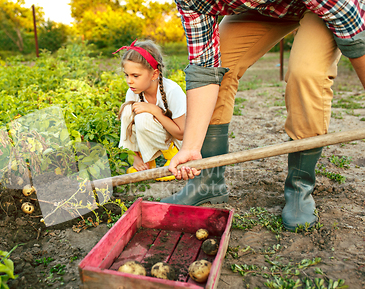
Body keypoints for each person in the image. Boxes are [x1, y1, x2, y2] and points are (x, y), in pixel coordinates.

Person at [161, 0, 365, 231]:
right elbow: (205, 68)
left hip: (325, 8)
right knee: (222, 63)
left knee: (306, 72)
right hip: (264, 8)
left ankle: (300, 187)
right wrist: (190, 147)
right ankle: (207, 181)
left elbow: (356, 40)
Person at [114, 39, 187, 181]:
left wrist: (155, 110)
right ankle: (145, 160)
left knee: (142, 117)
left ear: (154, 74)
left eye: (135, 76)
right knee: (128, 111)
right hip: (159, 134)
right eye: (126, 75)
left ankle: (173, 156)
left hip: (178, 140)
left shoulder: (172, 91)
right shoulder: (133, 91)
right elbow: (127, 125)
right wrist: (134, 157)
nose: (129, 81)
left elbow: (181, 134)